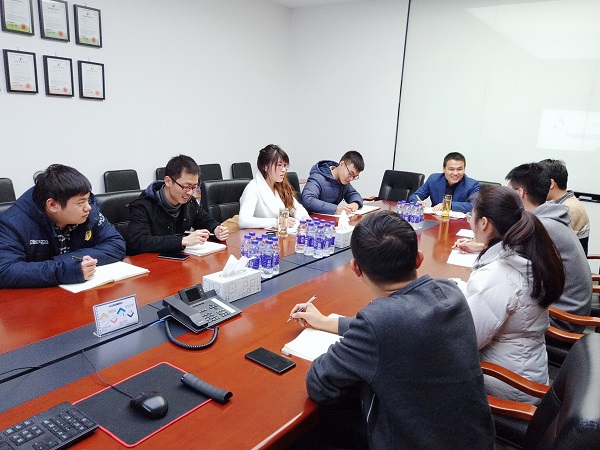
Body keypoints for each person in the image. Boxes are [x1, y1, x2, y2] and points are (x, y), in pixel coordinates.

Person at [290, 211, 495, 449]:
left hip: (415, 442)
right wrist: (327, 322)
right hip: (474, 440)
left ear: (356, 268)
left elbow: (319, 384)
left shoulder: (378, 323)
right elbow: (390, 328)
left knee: (308, 435)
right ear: (419, 259)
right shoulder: (450, 292)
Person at [455, 186, 565, 404]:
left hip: (509, 385)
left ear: (484, 223)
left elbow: (466, 340)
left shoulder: (497, 274)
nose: (470, 222)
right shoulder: (525, 252)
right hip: (526, 368)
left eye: (470, 217)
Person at [0, 164, 126, 288]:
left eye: (87, 199)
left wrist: (68, 263)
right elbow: (5, 270)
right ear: (52, 205)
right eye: (81, 202)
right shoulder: (11, 224)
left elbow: (116, 244)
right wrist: (64, 270)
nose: (88, 207)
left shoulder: (89, 213)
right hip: (36, 297)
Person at [505, 163, 592, 332]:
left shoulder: (542, 226)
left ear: (520, 193)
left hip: (562, 321)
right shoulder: (549, 217)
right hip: (570, 310)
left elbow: (507, 258)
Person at [127, 155, 229, 255]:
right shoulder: (142, 206)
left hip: (179, 260)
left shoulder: (189, 202)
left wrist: (216, 229)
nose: (190, 193)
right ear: (168, 181)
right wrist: (182, 241)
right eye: (186, 187)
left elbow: (205, 221)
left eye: (194, 187)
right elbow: (138, 241)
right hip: (150, 262)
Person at [238, 144, 308, 229]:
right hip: (260, 235)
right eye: (279, 165)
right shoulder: (252, 188)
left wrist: (304, 217)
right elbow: (244, 221)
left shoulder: (280, 184)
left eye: (285, 166)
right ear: (265, 167)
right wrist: (277, 222)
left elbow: (295, 207)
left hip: (281, 233)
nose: (284, 170)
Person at [539, 158, 590, 255]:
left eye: (538, 182)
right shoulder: (560, 204)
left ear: (551, 184)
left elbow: (548, 244)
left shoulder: (569, 209)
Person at [409, 151, 479, 212]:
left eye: (459, 169)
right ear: (444, 169)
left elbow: (474, 206)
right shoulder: (434, 179)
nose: (455, 173)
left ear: (464, 169)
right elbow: (415, 196)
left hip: (458, 221)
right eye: (451, 169)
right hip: (435, 219)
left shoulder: (472, 184)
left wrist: (447, 204)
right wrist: (417, 202)